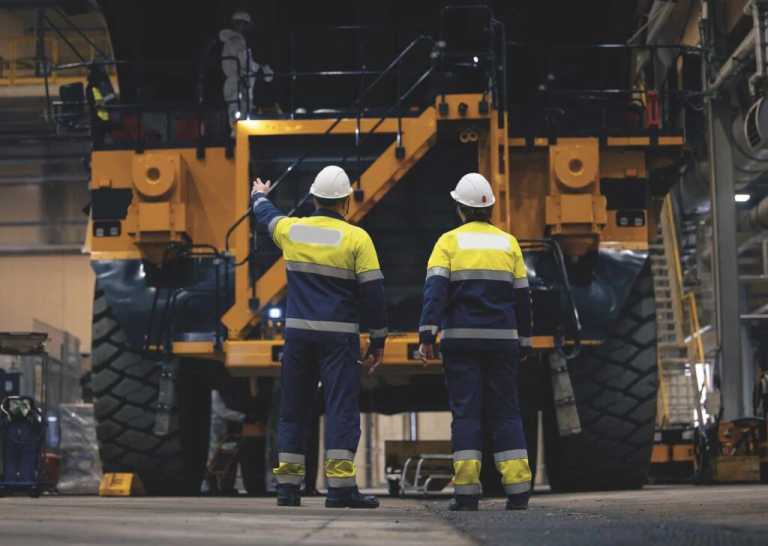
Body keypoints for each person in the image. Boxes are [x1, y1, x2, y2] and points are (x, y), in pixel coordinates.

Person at [251, 166, 387, 509]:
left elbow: (266, 216)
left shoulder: (293, 231)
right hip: (339, 342)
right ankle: (340, 489)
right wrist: (379, 339)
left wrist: (259, 195)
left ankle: (288, 489)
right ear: (346, 202)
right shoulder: (358, 239)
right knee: (341, 409)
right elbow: (374, 296)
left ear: (313, 199)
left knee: (294, 410)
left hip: (298, 338)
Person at [418, 173, 533, 512]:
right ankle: (518, 492)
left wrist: (427, 335)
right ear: (491, 209)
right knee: (507, 413)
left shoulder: (448, 242)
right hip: (503, 344)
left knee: (466, 415)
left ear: (460, 209)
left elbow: (435, 292)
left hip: (461, 343)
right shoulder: (508, 243)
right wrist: (524, 341)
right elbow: (523, 299)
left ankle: (467, 493)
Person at [220, 11, 274, 128]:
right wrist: (260, 69)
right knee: (238, 117)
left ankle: (238, 139)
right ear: (241, 24)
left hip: (239, 84)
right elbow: (245, 62)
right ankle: (237, 140)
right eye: (247, 25)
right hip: (237, 84)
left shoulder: (234, 41)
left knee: (239, 115)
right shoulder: (236, 41)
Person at [201, 390, 246, 495]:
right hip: (215, 431)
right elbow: (222, 411)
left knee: (215, 459)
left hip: (219, 430)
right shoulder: (213, 393)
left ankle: (215, 486)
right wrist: (243, 417)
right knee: (212, 459)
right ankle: (207, 486)